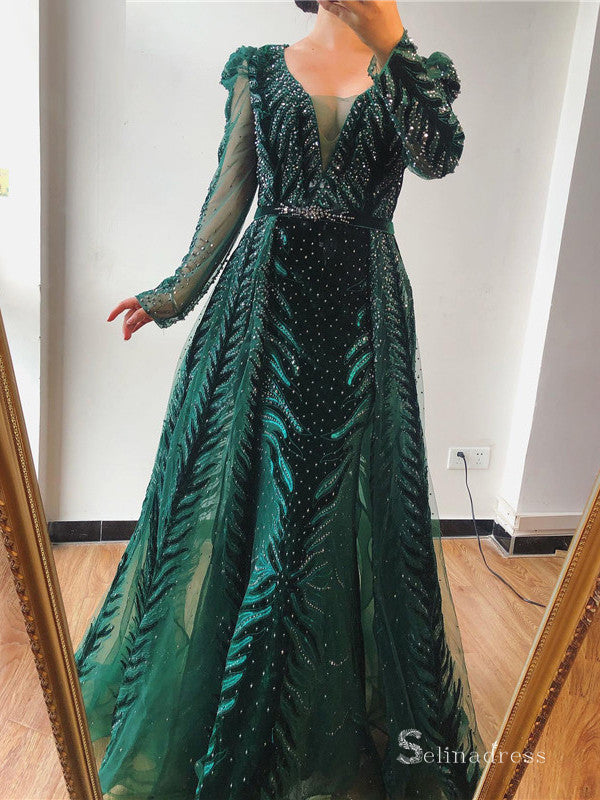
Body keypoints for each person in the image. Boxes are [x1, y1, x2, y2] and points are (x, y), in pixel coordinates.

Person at [75, 2, 486, 798]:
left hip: (362, 326)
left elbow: (440, 156)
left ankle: (305, 714)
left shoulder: (416, 73)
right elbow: (230, 195)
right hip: (263, 316)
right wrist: (173, 294)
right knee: (253, 509)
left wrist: (394, 42)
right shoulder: (259, 70)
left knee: (325, 518)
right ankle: (237, 709)